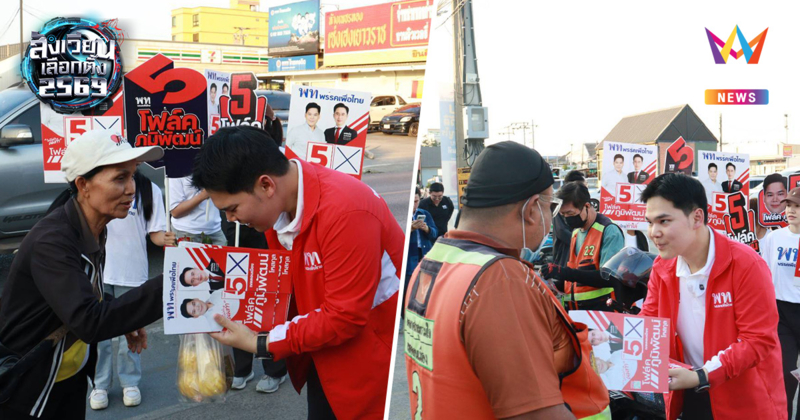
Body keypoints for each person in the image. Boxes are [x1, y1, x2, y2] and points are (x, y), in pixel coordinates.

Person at [190, 126, 402, 419]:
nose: (231, 219)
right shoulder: (281, 207)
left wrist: (260, 342)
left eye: (233, 208)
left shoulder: (346, 211)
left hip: (365, 366)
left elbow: (344, 316)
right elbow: (288, 287)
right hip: (322, 354)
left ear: (266, 185)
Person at [404, 141, 609, 420]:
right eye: (552, 206)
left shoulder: (437, 260)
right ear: (532, 209)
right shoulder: (501, 280)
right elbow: (536, 413)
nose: (551, 219)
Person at [0, 129, 163, 419]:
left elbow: (84, 298)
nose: (132, 188)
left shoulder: (93, 226)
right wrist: (174, 284)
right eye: (119, 178)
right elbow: (89, 322)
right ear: (83, 185)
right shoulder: (52, 241)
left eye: (133, 176)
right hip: (30, 385)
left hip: (68, 374)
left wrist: (122, 316)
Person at [639, 173, 786, 420]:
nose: (654, 232)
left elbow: (757, 341)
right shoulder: (662, 268)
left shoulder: (746, 264)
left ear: (697, 217)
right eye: (650, 222)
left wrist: (703, 374)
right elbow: (649, 323)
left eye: (664, 221)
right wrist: (608, 340)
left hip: (745, 399)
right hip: (690, 392)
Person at [90, 171, 176, 410]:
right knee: (100, 334)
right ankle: (99, 385)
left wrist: (167, 238)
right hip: (99, 270)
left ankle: (130, 382)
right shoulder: (99, 185)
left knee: (132, 329)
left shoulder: (149, 189)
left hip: (132, 270)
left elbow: (155, 232)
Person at [218, 209, 289, 394]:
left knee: (266, 310)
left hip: (265, 250)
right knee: (238, 308)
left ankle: (275, 371)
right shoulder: (227, 206)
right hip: (237, 253)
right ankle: (242, 369)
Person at [541, 182, 624, 311]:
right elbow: (575, 277)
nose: (568, 219)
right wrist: (552, 284)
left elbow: (608, 278)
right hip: (576, 310)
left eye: (570, 213)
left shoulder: (609, 231)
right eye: (564, 216)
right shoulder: (576, 232)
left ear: (587, 206)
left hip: (601, 311)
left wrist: (563, 272)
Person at [759, 186, 800, 420]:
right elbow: (763, 273)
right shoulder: (774, 238)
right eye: (789, 206)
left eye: (797, 206)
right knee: (785, 372)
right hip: (781, 312)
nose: (791, 210)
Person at [405, 187, 436, 318]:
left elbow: (434, 234)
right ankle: (406, 315)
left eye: (416, 201)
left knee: (424, 288)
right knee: (409, 288)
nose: (414, 204)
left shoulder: (424, 213)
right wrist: (410, 228)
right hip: (409, 256)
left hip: (424, 253)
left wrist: (426, 229)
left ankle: (422, 315)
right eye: (412, 201)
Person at [169, 176, 226, 245]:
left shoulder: (214, 167)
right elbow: (175, 212)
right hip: (186, 232)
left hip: (215, 230)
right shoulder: (176, 172)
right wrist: (202, 195)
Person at [553, 171, 586, 267]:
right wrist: (580, 242)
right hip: (564, 254)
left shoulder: (580, 201)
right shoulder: (559, 203)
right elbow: (561, 231)